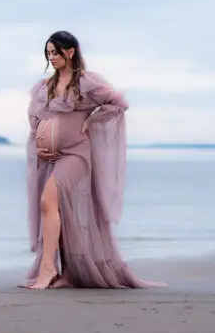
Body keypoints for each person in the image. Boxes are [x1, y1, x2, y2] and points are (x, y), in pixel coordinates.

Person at [23, 30, 165, 290]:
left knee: (48, 201)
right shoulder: (46, 86)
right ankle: (65, 273)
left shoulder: (87, 83)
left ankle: (47, 269)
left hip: (76, 154)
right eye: (48, 53)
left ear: (70, 52)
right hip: (50, 156)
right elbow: (37, 119)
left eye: (55, 52)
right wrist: (39, 142)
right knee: (60, 211)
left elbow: (118, 103)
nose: (51, 57)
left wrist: (91, 120)